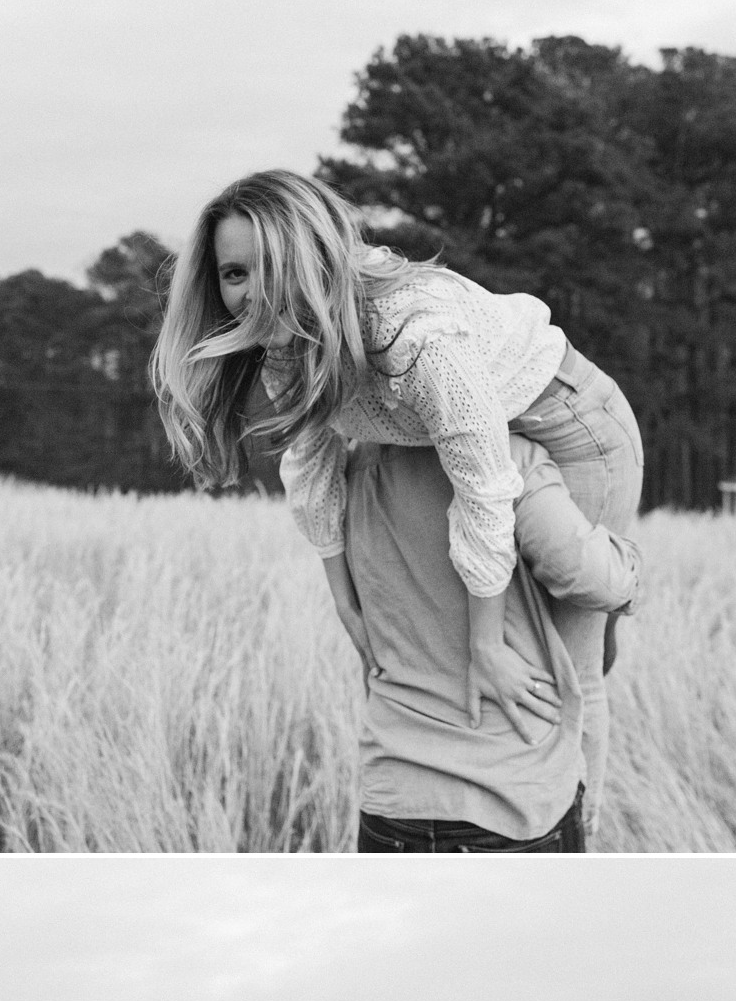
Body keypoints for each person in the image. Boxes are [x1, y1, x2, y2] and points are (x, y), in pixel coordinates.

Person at [148, 169, 645, 804]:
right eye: (234, 273)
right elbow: (312, 463)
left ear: (314, 259)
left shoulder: (415, 334)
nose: (249, 294)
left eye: (270, 266)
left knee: (570, 658)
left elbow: (485, 484)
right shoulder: (283, 342)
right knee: (545, 624)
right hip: (456, 436)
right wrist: (346, 604)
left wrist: (486, 643)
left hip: (571, 424)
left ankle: (580, 829)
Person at [341, 436, 640, 851]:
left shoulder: (354, 469)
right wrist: (631, 565)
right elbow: (593, 578)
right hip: (511, 792)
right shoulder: (507, 459)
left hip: (391, 797)